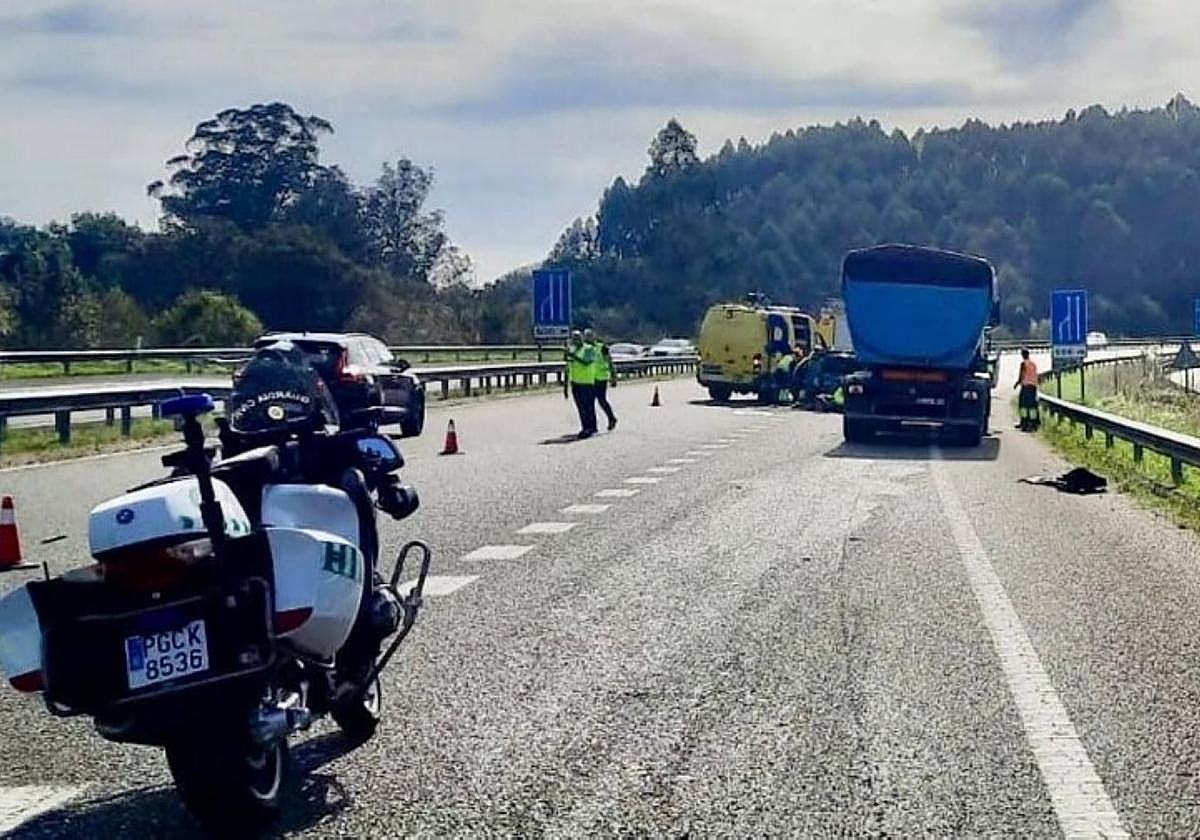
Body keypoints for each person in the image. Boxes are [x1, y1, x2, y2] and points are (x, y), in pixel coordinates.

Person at [564, 330, 597, 438]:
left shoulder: (589, 349)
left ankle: (589, 428)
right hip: (576, 382)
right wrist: (566, 385)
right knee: (581, 407)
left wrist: (573, 356)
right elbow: (568, 367)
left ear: (582, 338)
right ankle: (587, 427)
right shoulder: (572, 350)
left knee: (588, 407)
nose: (576, 340)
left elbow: (587, 362)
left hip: (587, 382)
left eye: (578, 338)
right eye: (573, 338)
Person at [584, 328, 617, 431]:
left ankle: (611, 418)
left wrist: (613, 376)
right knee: (589, 403)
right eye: (586, 336)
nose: (588, 338)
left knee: (601, 401)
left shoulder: (602, 347)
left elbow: (610, 362)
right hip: (590, 379)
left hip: (601, 378)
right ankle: (593, 426)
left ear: (594, 336)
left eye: (590, 335)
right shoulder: (586, 349)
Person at [1014, 348, 1040, 431]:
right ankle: (1033, 423)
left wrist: (1017, 383)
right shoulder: (1033, 364)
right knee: (1032, 406)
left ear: (1023, 355)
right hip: (1033, 386)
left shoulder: (1023, 364)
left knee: (1023, 406)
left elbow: (1021, 375)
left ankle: (1024, 423)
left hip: (1026, 386)